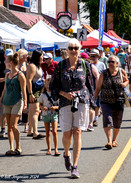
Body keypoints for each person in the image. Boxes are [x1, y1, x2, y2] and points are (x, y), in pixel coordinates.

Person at [50, 38, 93, 178]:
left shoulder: (85, 65)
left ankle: (75, 166)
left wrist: (85, 98)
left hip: (80, 102)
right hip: (65, 103)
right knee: (67, 133)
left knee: (78, 132)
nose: (73, 50)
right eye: (71, 48)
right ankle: (66, 153)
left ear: (80, 50)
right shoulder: (61, 66)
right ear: (67, 50)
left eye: (76, 48)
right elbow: (52, 86)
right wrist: (64, 94)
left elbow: (89, 86)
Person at [94, 55, 129, 149]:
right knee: (107, 119)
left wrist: (124, 84)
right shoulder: (104, 73)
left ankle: (114, 140)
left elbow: (127, 81)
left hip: (119, 100)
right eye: (109, 61)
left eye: (112, 62)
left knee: (117, 122)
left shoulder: (121, 72)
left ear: (117, 63)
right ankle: (109, 141)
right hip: (105, 101)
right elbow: (98, 88)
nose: (110, 63)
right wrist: (93, 99)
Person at [0, 53, 27, 155]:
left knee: (14, 125)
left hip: (17, 102)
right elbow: (5, 89)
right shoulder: (7, 75)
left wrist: (25, 104)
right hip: (7, 102)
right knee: (9, 127)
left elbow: (24, 91)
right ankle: (11, 148)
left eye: (6, 61)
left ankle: (18, 147)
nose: (5, 63)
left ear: (10, 63)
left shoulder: (20, 75)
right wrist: (1, 99)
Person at [38, 77, 60, 156]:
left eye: (50, 84)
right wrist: (42, 107)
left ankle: (56, 149)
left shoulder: (56, 94)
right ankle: (49, 149)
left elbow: (59, 105)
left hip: (54, 114)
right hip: (45, 114)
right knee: (47, 132)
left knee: (54, 131)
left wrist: (55, 107)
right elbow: (40, 104)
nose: (48, 86)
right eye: (47, 84)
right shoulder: (43, 95)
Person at [26, 50, 45, 139]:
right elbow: (29, 80)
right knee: (36, 111)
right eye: (42, 56)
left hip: (38, 90)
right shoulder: (32, 66)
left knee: (32, 111)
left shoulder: (38, 65)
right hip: (33, 90)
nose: (43, 57)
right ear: (38, 56)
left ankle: (30, 131)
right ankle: (35, 132)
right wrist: (30, 93)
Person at [90, 49, 106, 127]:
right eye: (91, 56)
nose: (92, 57)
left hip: (99, 87)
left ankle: (95, 119)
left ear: (98, 56)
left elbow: (105, 75)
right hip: (89, 87)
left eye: (94, 56)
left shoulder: (101, 64)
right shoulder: (88, 64)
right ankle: (91, 119)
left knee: (97, 104)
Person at [17, 49, 29, 133]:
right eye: (26, 55)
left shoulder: (27, 65)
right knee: (18, 106)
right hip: (18, 88)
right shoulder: (16, 65)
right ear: (21, 56)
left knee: (26, 106)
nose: (27, 57)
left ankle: (26, 125)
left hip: (26, 88)